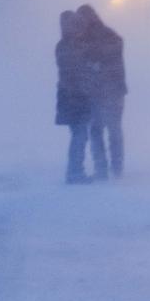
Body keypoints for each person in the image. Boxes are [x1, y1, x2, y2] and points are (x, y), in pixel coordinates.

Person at [76, 4, 127, 180]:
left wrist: (92, 65)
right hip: (114, 90)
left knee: (96, 130)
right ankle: (116, 168)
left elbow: (89, 62)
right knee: (114, 130)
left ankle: (101, 168)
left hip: (99, 91)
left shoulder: (86, 39)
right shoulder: (111, 35)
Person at [55, 11, 92, 184]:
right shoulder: (70, 46)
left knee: (79, 135)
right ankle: (75, 172)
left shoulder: (64, 45)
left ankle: (75, 171)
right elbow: (75, 72)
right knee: (79, 135)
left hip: (71, 97)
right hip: (75, 97)